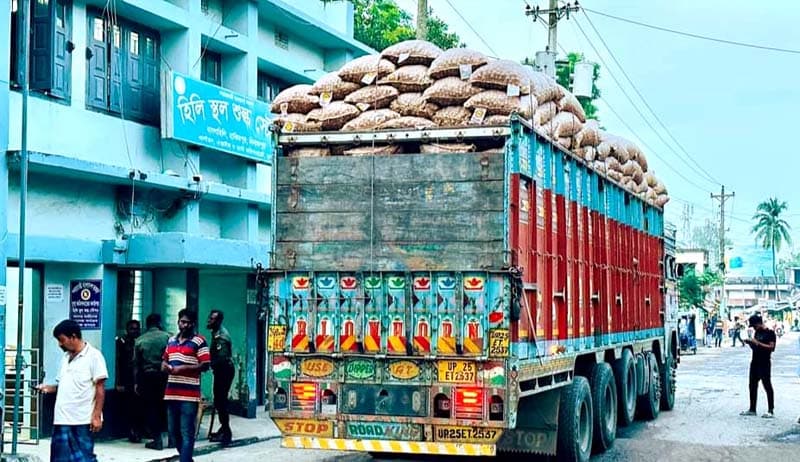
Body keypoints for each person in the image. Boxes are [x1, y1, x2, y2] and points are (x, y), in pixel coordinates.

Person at [37, 320, 108, 462]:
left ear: (73, 337)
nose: (60, 344)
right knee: (60, 458)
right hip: (61, 419)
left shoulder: (94, 356)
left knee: (83, 458)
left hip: (81, 420)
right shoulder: (65, 358)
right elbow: (65, 384)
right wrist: (49, 388)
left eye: (62, 340)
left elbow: (100, 388)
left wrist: (96, 416)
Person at [163, 309, 211, 462]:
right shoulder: (171, 340)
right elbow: (164, 360)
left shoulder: (199, 341)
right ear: (178, 322)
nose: (184, 325)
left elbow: (205, 364)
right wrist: (164, 366)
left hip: (189, 396)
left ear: (193, 324)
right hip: (171, 393)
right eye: (182, 322)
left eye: (188, 323)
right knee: (173, 432)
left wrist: (183, 368)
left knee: (186, 432)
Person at [134, 313, 171, 450]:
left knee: (152, 408)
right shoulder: (168, 337)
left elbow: (136, 364)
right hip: (165, 375)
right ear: (159, 323)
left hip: (147, 377)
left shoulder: (140, 340)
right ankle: (172, 439)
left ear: (147, 324)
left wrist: (136, 382)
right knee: (167, 407)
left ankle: (157, 440)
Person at [207, 309, 235, 445]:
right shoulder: (216, 333)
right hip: (221, 370)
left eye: (212, 319)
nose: (209, 321)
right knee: (219, 401)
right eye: (210, 318)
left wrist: (208, 364)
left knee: (220, 402)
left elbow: (222, 359)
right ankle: (224, 429)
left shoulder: (221, 337)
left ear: (218, 321)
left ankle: (226, 433)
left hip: (224, 371)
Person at [740, 314, 776, 419]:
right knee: (752, 385)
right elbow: (756, 347)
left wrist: (758, 343)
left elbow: (771, 347)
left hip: (765, 362)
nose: (754, 328)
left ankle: (770, 410)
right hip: (755, 361)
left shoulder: (770, 333)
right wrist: (751, 343)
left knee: (767, 385)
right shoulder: (757, 333)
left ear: (759, 323)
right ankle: (752, 409)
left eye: (754, 326)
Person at [116, 319, 142, 442]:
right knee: (128, 407)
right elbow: (118, 363)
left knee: (139, 407)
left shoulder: (141, 342)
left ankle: (138, 431)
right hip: (126, 379)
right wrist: (119, 382)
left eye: (136, 329)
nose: (134, 331)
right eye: (132, 329)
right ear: (127, 330)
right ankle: (130, 431)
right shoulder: (121, 342)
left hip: (139, 379)